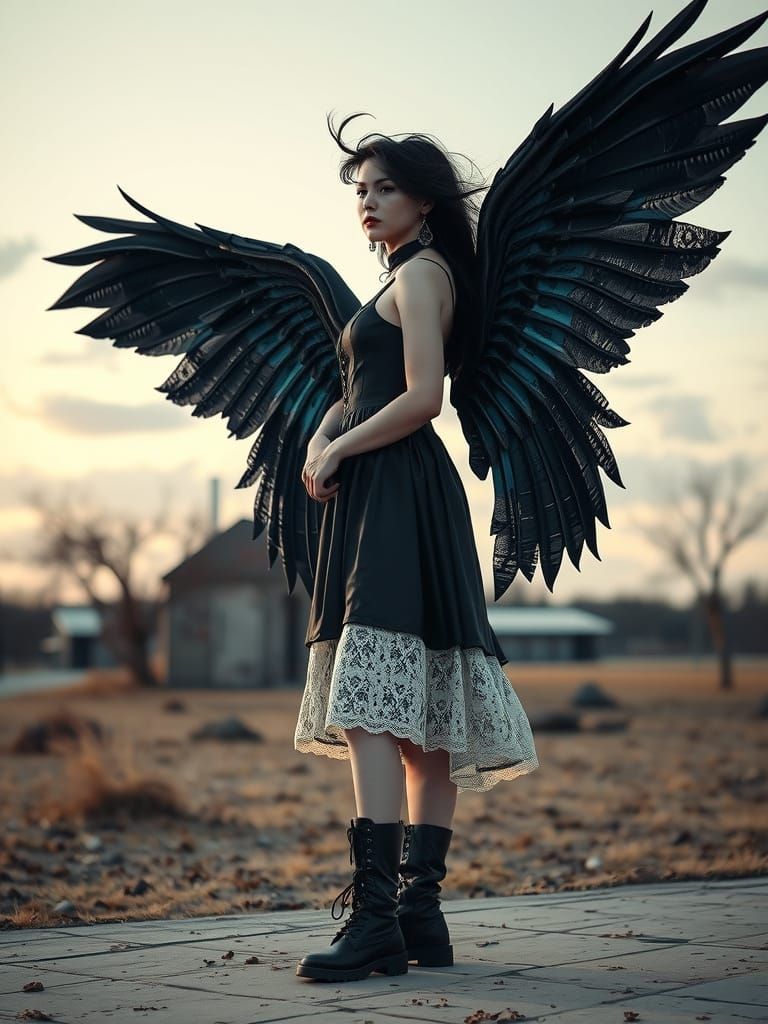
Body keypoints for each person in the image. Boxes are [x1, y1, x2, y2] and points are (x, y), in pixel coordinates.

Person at [293, 115, 539, 983]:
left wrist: (341, 447)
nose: (366, 203)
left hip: (399, 492)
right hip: (385, 491)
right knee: (421, 734)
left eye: (383, 188)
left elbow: (424, 397)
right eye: (359, 191)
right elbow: (358, 389)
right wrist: (322, 436)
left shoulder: (427, 275)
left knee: (369, 705)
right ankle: (418, 919)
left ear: (424, 200)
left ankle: (374, 925)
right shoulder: (397, 282)